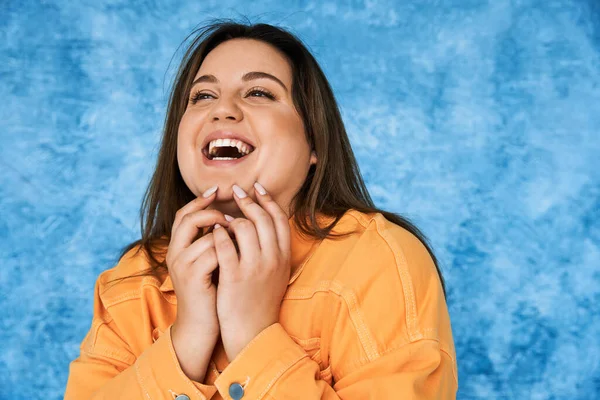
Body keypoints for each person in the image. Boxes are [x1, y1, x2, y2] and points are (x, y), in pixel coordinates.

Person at [64, 19, 458, 399]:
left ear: (314, 143)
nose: (223, 109)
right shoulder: (132, 281)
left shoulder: (378, 261)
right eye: (203, 96)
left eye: (259, 93)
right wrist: (188, 339)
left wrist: (252, 335)